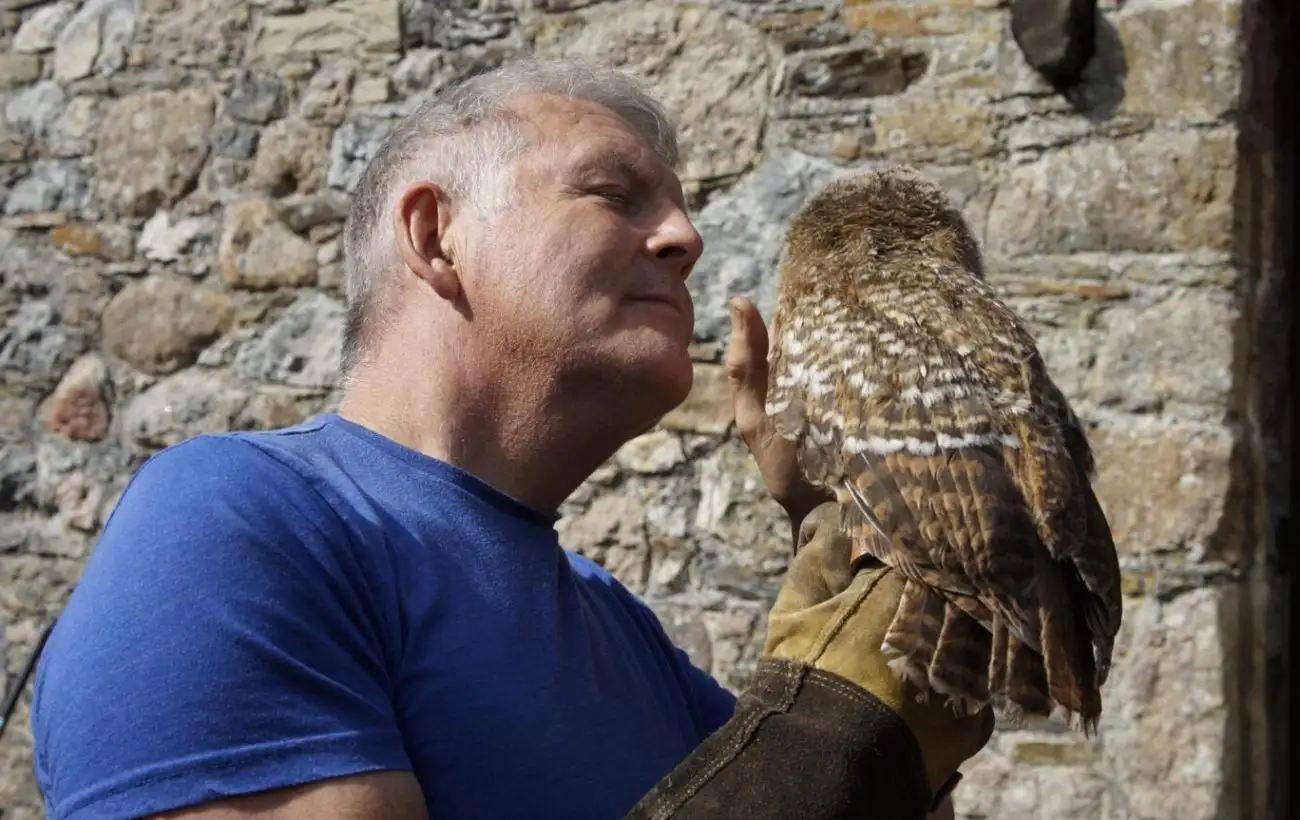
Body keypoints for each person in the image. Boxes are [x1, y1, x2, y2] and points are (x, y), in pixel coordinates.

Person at [29, 58, 992, 819]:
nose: (686, 237)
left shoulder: (623, 630)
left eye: (680, 208)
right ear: (435, 235)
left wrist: (860, 544)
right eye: (616, 194)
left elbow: (858, 798)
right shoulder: (234, 524)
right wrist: (829, 713)